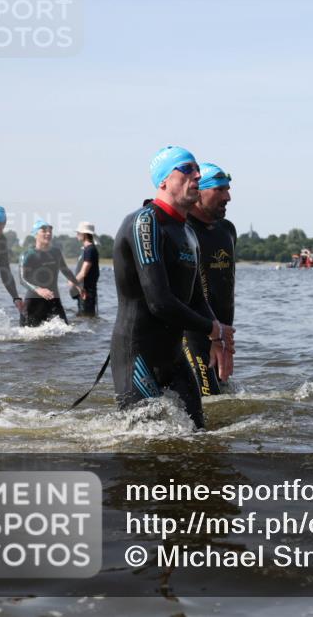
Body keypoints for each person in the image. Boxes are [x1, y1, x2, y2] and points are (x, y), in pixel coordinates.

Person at [110, 146, 235, 429]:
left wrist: (217, 337)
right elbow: (159, 301)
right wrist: (212, 328)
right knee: (142, 444)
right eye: (188, 169)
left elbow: (195, 297)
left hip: (173, 356)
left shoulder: (188, 231)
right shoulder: (145, 222)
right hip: (137, 354)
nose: (197, 175)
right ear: (163, 181)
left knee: (198, 433)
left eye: (198, 170)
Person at [184, 163, 237, 397]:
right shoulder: (181, 230)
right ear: (198, 191)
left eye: (227, 189)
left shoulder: (227, 230)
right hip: (191, 333)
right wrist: (211, 334)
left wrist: (223, 338)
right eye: (220, 190)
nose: (228, 197)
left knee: (219, 399)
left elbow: (224, 287)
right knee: (208, 398)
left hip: (221, 334)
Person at [19, 220, 81, 327]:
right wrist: (38, 290)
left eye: (50, 231)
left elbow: (65, 270)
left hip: (53, 299)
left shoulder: (56, 252)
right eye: (44, 231)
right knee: (28, 337)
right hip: (33, 302)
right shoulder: (28, 255)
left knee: (66, 331)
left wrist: (78, 285)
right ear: (35, 234)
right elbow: (22, 279)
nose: (48, 233)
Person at [70, 221, 100, 316]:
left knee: (86, 317)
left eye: (78, 233)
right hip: (83, 291)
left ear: (85, 234)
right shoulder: (86, 249)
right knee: (84, 318)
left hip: (87, 293)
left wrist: (72, 281)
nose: (77, 235)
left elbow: (83, 272)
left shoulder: (90, 250)